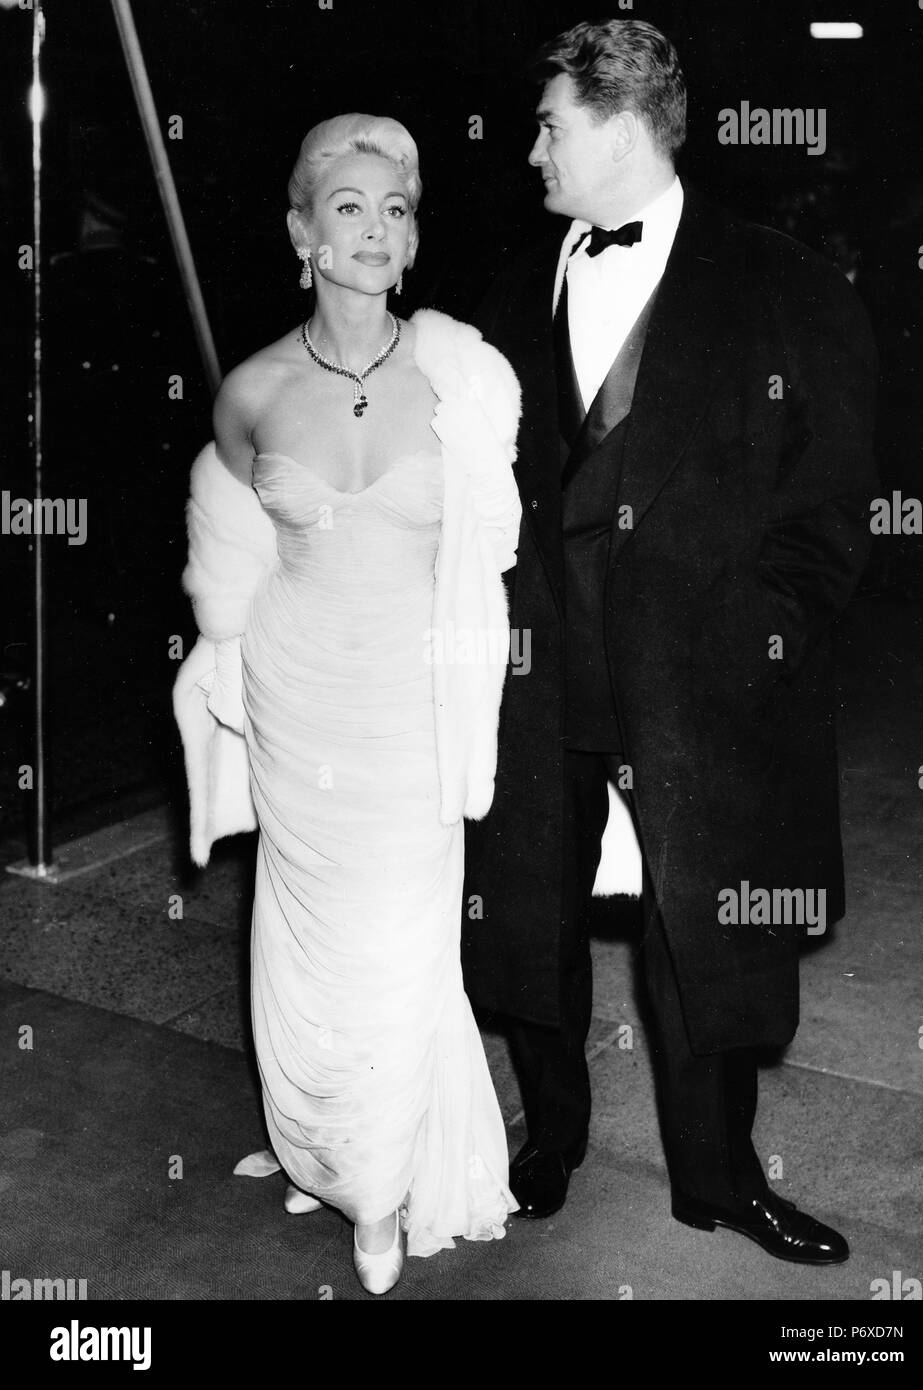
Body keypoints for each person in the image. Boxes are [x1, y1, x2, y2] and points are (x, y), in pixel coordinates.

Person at [463, 19, 878, 1264]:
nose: (531, 149)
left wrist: (763, 637)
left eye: (550, 124)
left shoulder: (785, 286)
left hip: (698, 685)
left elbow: (831, 507)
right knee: (531, 913)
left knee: (705, 933)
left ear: (623, 124)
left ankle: (718, 1178)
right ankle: (550, 1143)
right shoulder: (501, 288)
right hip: (537, 677)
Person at [173, 114, 521, 1295]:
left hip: (412, 708)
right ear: (302, 234)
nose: (376, 232)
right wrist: (219, 667)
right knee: (307, 939)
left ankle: (377, 1186)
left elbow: (493, 551)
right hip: (298, 696)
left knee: (402, 941)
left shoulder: (461, 381)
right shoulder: (251, 390)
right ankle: (313, 1138)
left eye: (396, 211)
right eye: (349, 209)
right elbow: (228, 554)